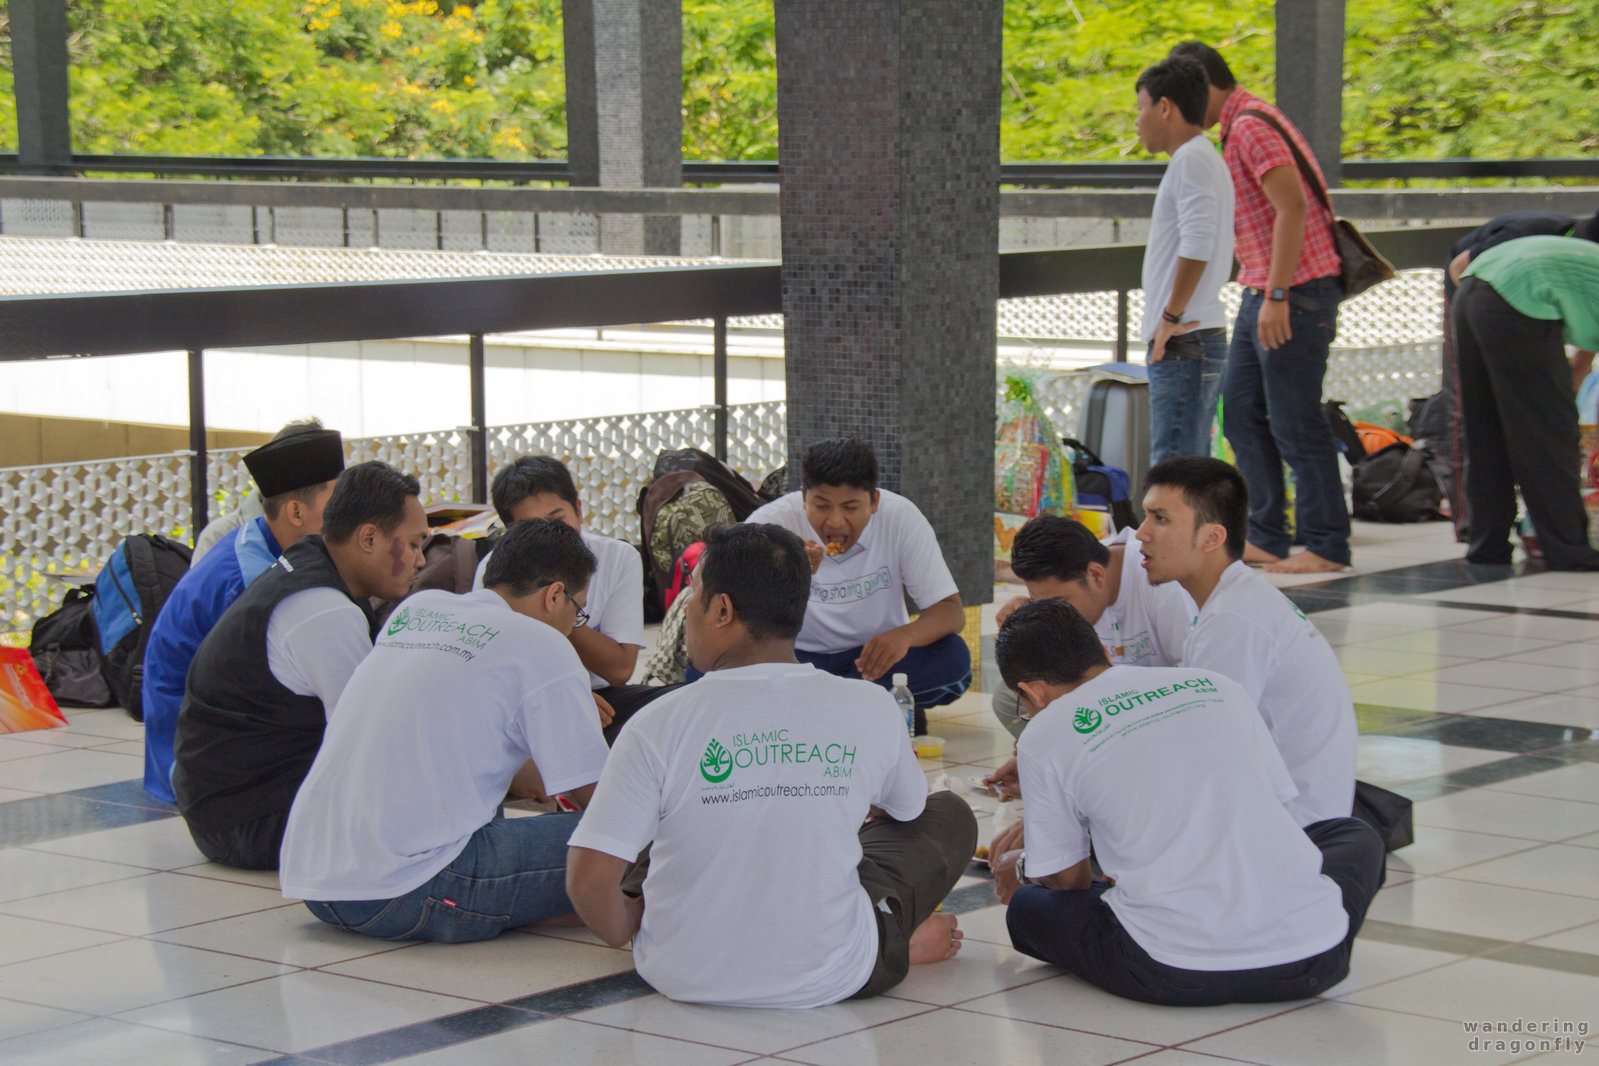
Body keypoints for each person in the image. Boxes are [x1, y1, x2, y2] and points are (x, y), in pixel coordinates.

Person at [566, 522, 977, 1008]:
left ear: (721, 610)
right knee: (948, 813)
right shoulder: (870, 705)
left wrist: (628, 932)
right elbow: (908, 813)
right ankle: (896, 940)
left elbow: (588, 879)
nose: (687, 615)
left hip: (677, 970)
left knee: (649, 821)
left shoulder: (658, 722)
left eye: (692, 598)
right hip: (834, 973)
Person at [990, 599, 1385, 1006]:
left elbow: (1067, 880)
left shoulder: (1043, 735)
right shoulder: (1216, 685)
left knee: (1028, 909)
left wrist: (1021, 869)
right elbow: (1275, 806)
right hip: (1314, 961)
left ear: (1033, 691)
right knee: (1353, 833)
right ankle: (1296, 917)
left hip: (1170, 971)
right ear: (1104, 653)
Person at [281, 519, 611, 941]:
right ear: (554, 595)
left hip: (317, 881)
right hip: (405, 893)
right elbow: (600, 803)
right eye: (577, 612)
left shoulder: (419, 609)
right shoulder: (545, 644)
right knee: (634, 837)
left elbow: (453, 750)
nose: (572, 627)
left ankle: (524, 906)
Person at [171, 461, 429, 870]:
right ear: (367, 538)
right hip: (244, 822)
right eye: (414, 545)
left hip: (226, 803)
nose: (421, 561)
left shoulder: (313, 558)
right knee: (442, 815)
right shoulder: (322, 610)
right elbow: (370, 741)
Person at [1170, 41, 1349, 575]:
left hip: (1293, 291)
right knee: (1242, 409)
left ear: (1204, 83)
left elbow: (1290, 206)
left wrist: (1277, 294)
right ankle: (1268, 533)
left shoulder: (1248, 124)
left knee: (1296, 418)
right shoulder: (1236, 126)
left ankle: (1326, 543)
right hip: (1259, 288)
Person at [1137, 457, 1357, 826]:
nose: (1141, 533)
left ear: (1212, 538)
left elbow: (1204, 750)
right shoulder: (1237, 599)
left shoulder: (1233, 619)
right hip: (1294, 811)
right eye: (1145, 516)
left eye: (1160, 519)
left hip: (1295, 828)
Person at [140, 424, 344, 802]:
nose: (346, 516)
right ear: (296, 511)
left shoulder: (263, 536)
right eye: (336, 504)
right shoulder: (249, 577)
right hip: (193, 750)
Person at [744, 438, 970, 734]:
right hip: (796, 659)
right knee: (703, 673)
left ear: (874, 501)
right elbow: (729, 606)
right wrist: (790, 573)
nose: (836, 522)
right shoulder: (770, 524)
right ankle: (869, 707)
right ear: (803, 498)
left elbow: (950, 612)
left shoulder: (901, 517)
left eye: (851, 507)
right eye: (821, 506)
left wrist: (903, 635)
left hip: (872, 662)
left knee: (953, 658)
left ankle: (817, 709)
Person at [474, 456, 665, 740]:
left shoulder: (618, 558)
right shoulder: (494, 571)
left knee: (669, 708)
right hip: (527, 703)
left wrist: (562, 610)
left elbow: (619, 669)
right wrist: (562, 697)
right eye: (531, 528)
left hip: (601, 698)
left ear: (578, 509)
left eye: (558, 520)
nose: (550, 538)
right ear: (510, 535)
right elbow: (490, 673)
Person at [1440, 210, 1599, 543]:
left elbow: (1583, 360)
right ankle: (1568, 548)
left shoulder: (1578, 263)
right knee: (1548, 434)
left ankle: (1488, 545)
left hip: (1474, 293)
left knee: (1487, 429)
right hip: (1511, 297)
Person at [989, 516, 1194, 737]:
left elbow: (1195, 681)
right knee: (1011, 696)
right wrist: (1027, 629)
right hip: (1104, 702)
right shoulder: (1076, 574)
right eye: (1039, 601)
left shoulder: (1160, 579)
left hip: (1161, 707)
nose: (1055, 615)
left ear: (1095, 575)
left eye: (1059, 602)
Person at [1134, 56, 1235, 464]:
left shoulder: (1192, 158)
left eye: (1140, 108)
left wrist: (1169, 318)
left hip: (1184, 338)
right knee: (1187, 470)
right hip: (1190, 337)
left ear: (1164, 107)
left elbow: (1198, 243)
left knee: (1176, 474)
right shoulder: (1201, 156)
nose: (1137, 121)